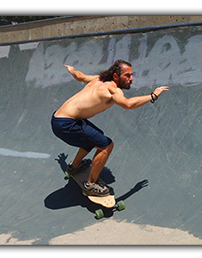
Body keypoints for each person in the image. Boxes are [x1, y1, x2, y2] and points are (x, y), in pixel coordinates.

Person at [52, 59, 168, 196]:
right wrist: (152, 95)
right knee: (106, 145)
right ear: (115, 76)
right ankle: (90, 185)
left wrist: (72, 70)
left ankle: (74, 167)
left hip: (60, 117)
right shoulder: (113, 90)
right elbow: (128, 104)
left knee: (95, 137)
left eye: (131, 75)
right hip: (66, 124)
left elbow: (79, 76)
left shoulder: (98, 79)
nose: (131, 79)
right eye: (127, 75)